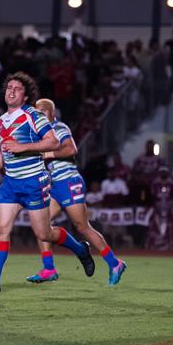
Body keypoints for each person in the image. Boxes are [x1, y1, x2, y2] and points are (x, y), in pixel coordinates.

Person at [0, 72, 95, 294]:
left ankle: (81, 249)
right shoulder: (1, 121)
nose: (11, 91)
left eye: (17, 88)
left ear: (26, 96)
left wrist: (23, 147)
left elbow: (53, 142)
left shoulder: (34, 115)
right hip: (11, 183)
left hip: (33, 182)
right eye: (9, 87)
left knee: (44, 234)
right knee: (0, 229)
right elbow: (3, 151)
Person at [26, 99, 126, 286]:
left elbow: (72, 149)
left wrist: (48, 154)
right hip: (56, 185)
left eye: (42, 111)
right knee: (42, 226)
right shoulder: (42, 135)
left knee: (82, 227)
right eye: (36, 112)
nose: (38, 115)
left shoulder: (58, 127)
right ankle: (49, 269)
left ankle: (115, 263)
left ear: (51, 113)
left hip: (69, 182)